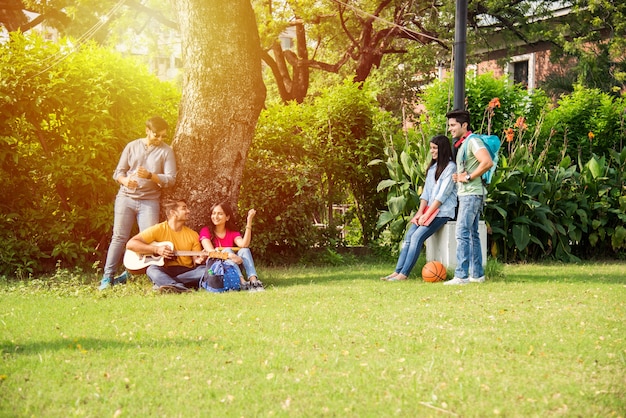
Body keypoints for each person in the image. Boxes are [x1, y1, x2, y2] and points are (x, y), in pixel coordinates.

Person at [99, 116, 177, 290]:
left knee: (148, 241)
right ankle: (107, 278)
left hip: (149, 201)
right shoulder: (132, 146)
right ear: (147, 130)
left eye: (163, 136)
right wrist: (125, 181)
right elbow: (118, 173)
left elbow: (171, 179)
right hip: (126, 198)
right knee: (119, 237)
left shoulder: (166, 151)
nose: (160, 139)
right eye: (157, 135)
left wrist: (150, 175)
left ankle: (133, 272)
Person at [381, 135, 457, 281]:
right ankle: (397, 272)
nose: (432, 151)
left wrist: (426, 214)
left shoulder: (451, 168)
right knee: (409, 236)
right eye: (431, 148)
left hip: (442, 212)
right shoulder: (432, 168)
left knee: (417, 237)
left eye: (435, 148)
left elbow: (442, 196)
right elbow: (426, 194)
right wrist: (420, 212)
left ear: (443, 149)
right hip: (429, 209)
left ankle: (404, 275)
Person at [444, 109, 493, 285]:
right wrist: (460, 176)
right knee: (471, 234)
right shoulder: (465, 143)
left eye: (453, 125)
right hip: (469, 194)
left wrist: (468, 177)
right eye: (449, 125)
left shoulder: (473, 141)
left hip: (471, 194)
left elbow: (487, 162)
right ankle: (477, 274)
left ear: (464, 125)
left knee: (462, 233)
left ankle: (461, 275)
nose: (450, 129)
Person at [126, 199, 206, 293]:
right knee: (151, 269)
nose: (188, 211)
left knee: (205, 270)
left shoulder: (193, 235)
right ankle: (177, 286)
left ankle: (166, 283)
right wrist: (156, 249)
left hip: (186, 271)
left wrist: (199, 260)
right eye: (184, 208)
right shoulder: (158, 229)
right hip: (164, 269)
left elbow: (195, 261)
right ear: (173, 212)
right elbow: (130, 244)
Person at [198, 202, 264, 291]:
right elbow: (211, 252)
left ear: (227, 217)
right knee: (227, 249)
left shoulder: (232, 232)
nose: (216, 216)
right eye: (214, 213)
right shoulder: (205, 231)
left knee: (244, 250)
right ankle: (242, 282)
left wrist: (249, 221)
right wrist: (230, 255)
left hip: (232, 264)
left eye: (220, 214)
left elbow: (244, 244)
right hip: (217, 267)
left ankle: (254, 281)